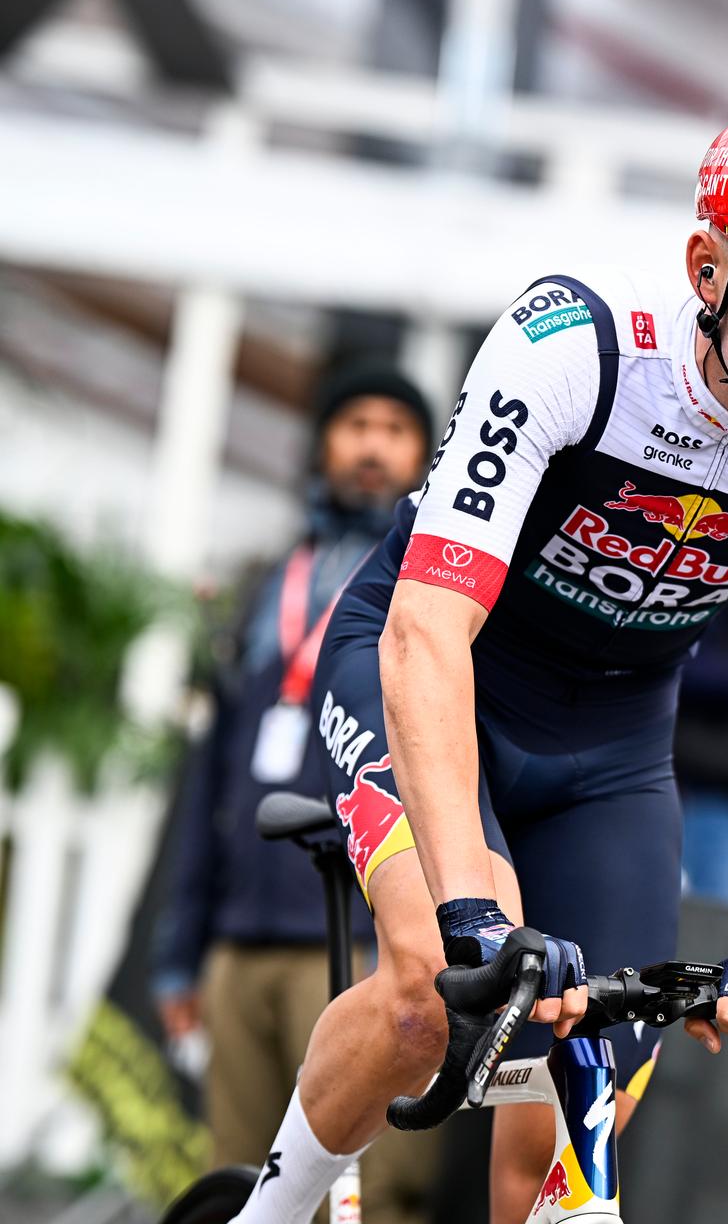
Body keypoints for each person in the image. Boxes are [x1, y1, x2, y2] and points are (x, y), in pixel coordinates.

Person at [228, 105, 728, 1224]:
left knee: (569, 1135)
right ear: (708, 264)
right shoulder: (577, 344)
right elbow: (427, 626)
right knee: (433, 990)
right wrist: (467, 902)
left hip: (610, 746)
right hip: (426, 667)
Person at [149, 363, 439, 1218]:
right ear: (322, 444)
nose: (373, 447)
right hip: (241, 942)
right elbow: (209, 777)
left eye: (395, 429)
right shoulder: (260, 586)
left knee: (370, 1195)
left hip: (362, 941)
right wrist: (182, 950)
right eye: (356, 426)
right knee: (240, 1184)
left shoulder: (428, 591)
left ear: (427, 452)